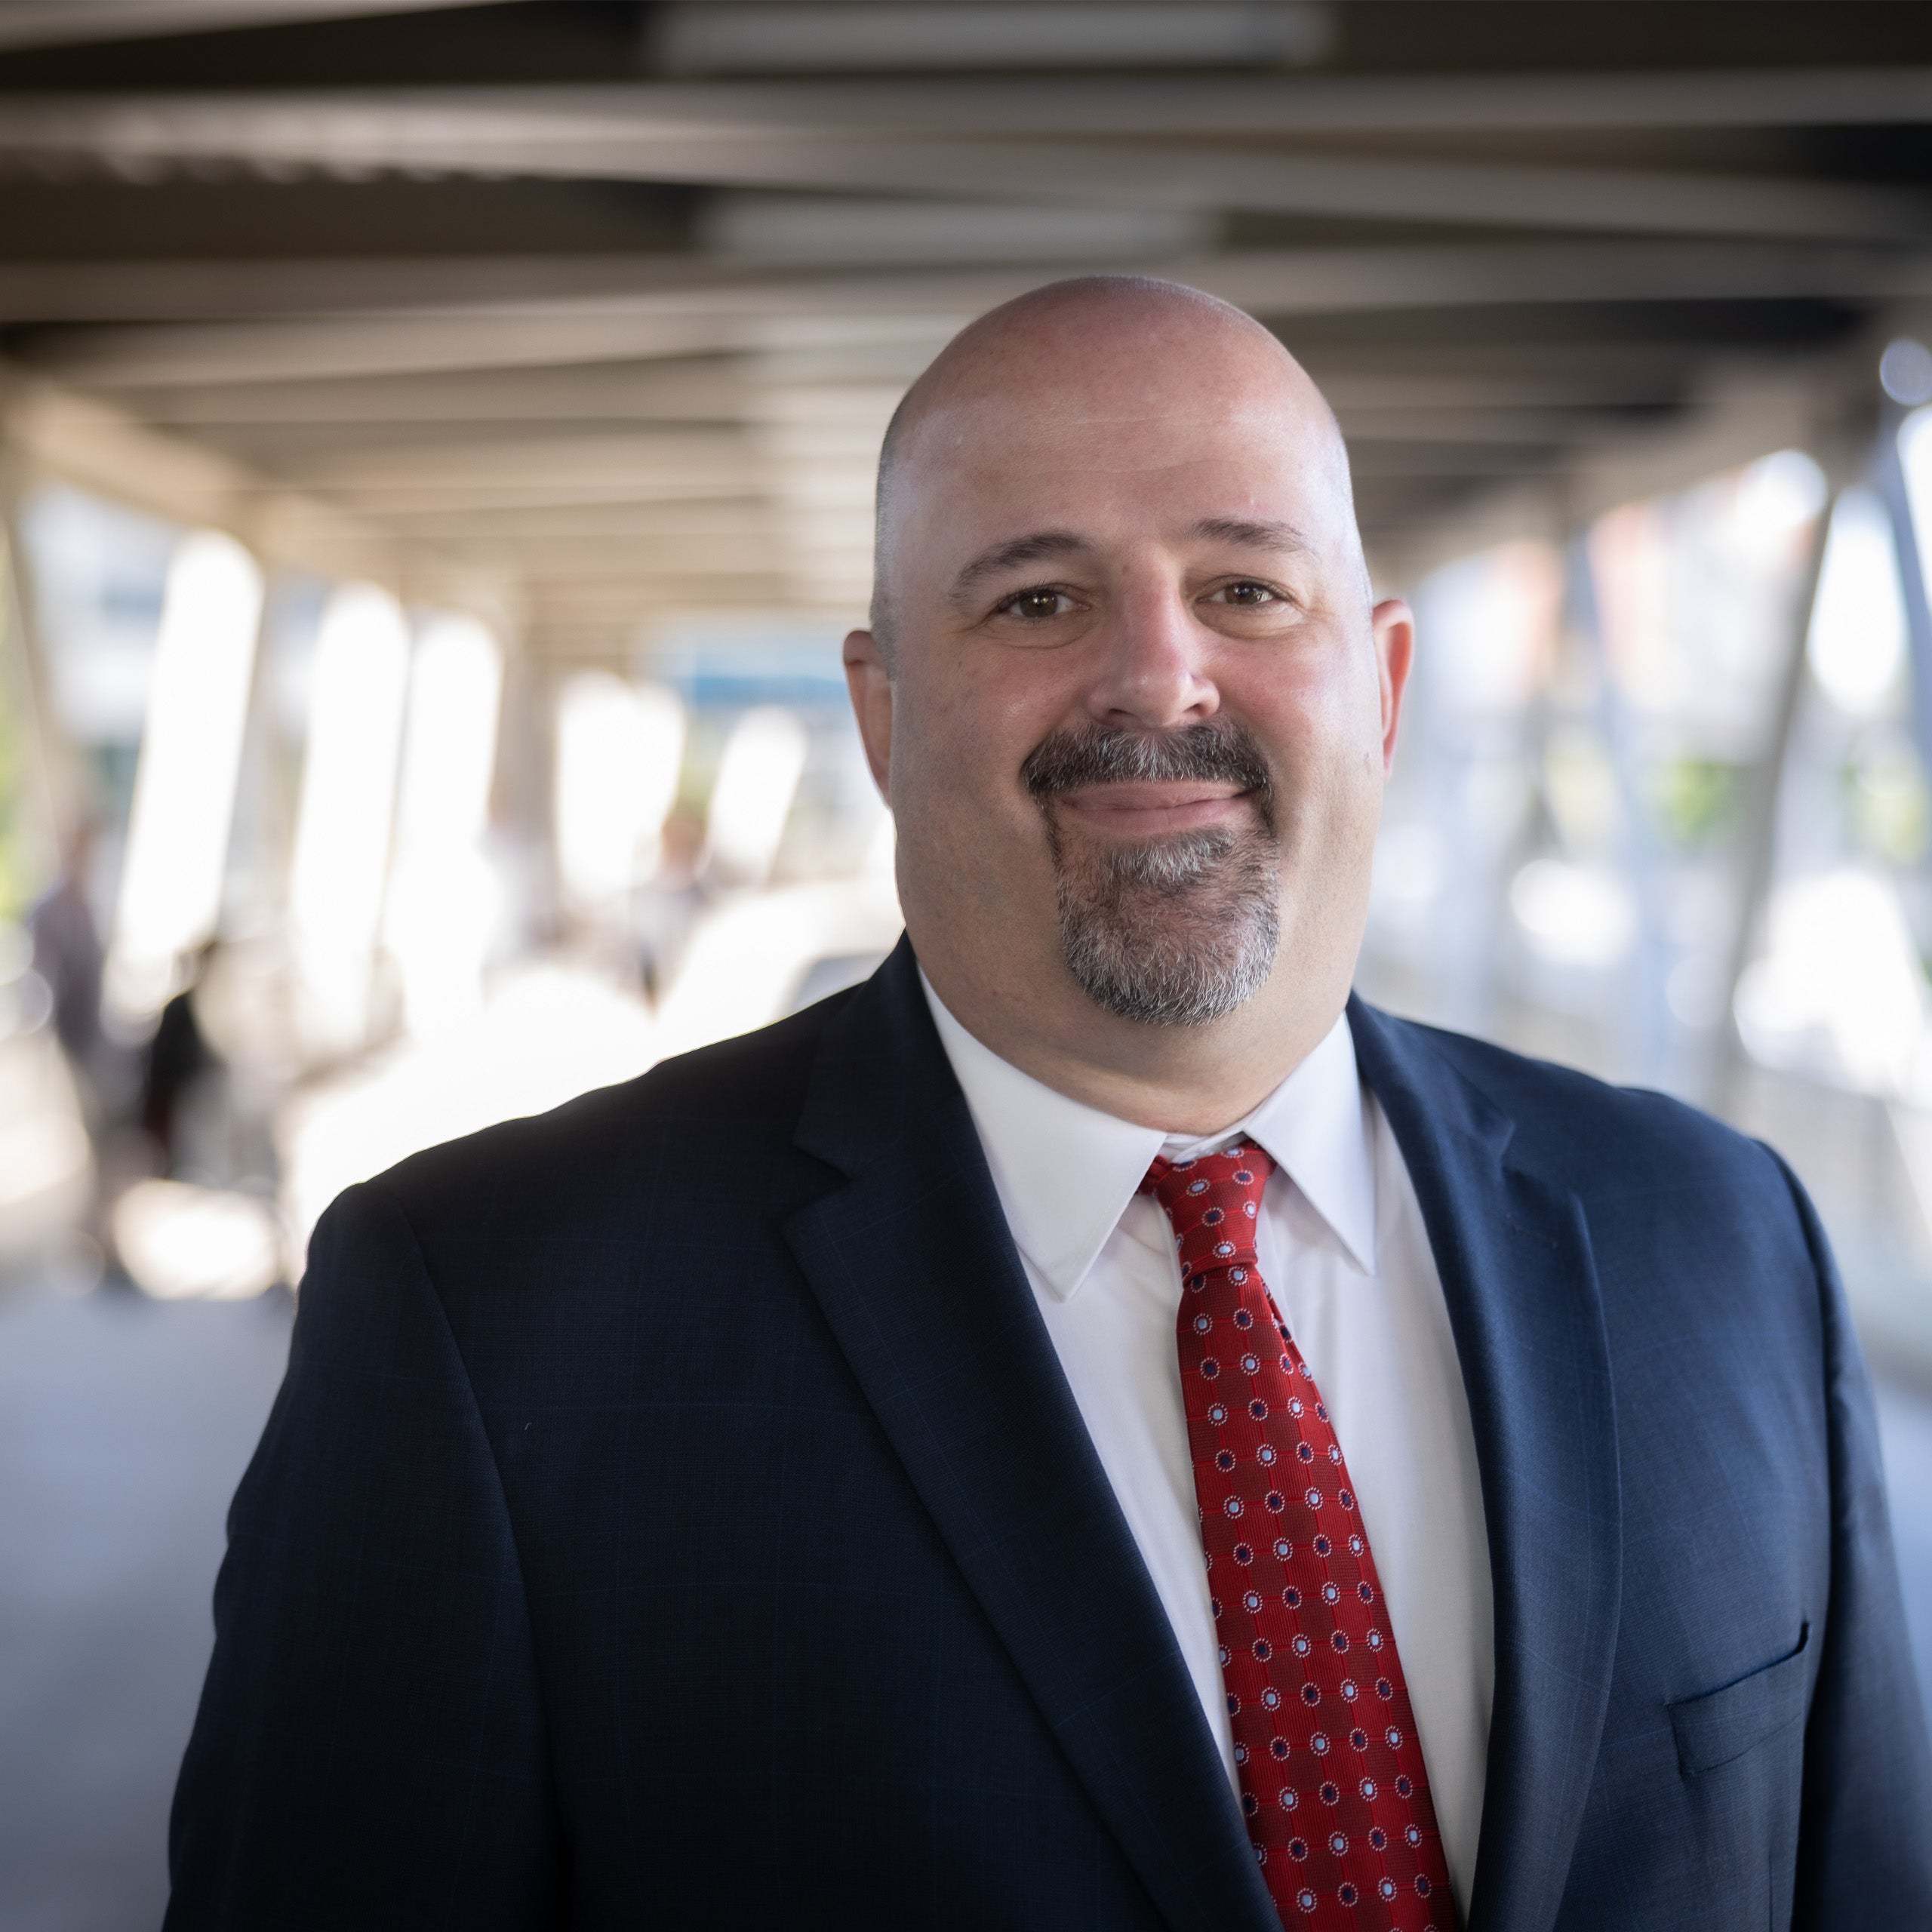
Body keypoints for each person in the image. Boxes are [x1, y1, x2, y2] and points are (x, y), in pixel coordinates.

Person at [165, 278, 1931, 1931]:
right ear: (881, 712)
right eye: (1035, 598)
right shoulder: (487, 1316)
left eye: (1246, 588)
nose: (1157, 679)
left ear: (1382, 686)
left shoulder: (1717, 1236)